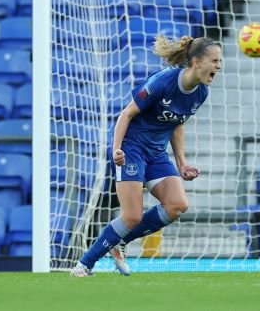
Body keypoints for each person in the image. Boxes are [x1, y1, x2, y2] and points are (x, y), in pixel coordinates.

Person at [70, 35, 222, 277]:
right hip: (131, 147)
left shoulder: (200, 93)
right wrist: (116, 149)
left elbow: (177, 123)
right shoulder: (163, 82)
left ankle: (118, 241)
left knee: (177, 205)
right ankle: (84, 265)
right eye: (214, 60)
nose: (219, 66)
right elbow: (126, 114)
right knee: (132, 215)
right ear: (196, 61)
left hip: (156, 152)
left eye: (220, 61)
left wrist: (181, 163)